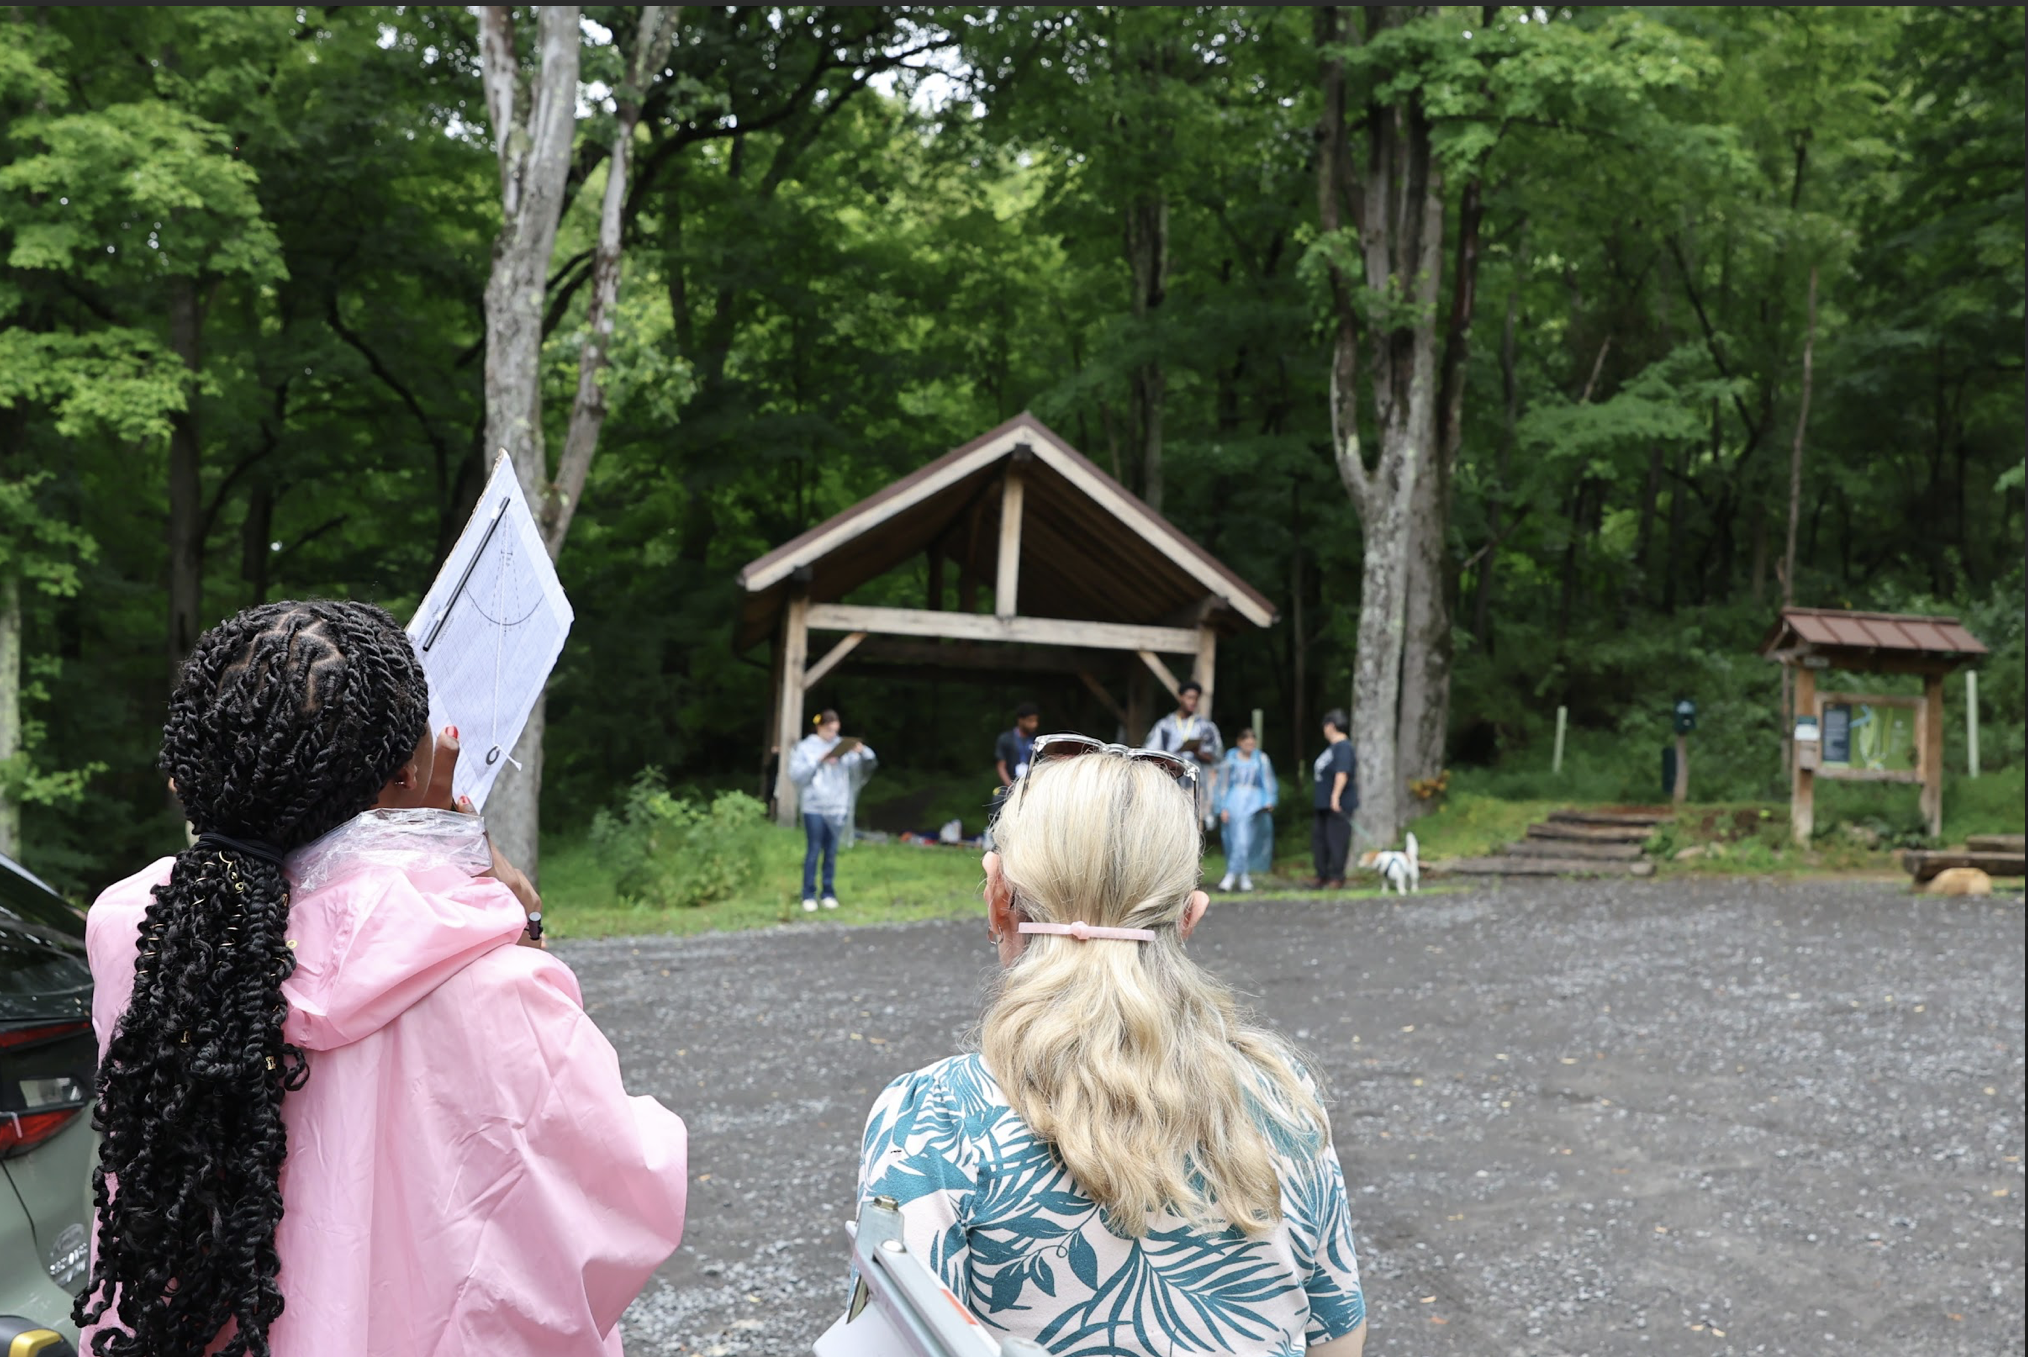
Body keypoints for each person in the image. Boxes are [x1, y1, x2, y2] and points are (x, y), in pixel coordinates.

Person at [79, 600, 687, 1357]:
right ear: (411, 775)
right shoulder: (489, 977)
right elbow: (625, 1200)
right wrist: (504, 904)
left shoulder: (137, 930)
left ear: (186, 775)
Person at [855, 741, 1367, 1357]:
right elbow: (1335, 1334)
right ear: (1189, 918)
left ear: (996, 899)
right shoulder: (1283, 1094)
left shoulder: (935, 1118)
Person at [789, 709, 877, 912]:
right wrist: (818, 761)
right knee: (814, 849)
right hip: (814, 806)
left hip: (837, 805)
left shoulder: (841, 747)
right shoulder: (805, 748)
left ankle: (828, 892)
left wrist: (861, 751)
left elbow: (868, 761)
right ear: (819, 727)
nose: (832, 734)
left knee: (831, 851)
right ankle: (808, 894)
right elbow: (796, 775)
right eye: (829, 730)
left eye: (836, 730)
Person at [1143, 680, 1222, 825]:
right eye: (1189, 697)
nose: (1192, 702)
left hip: (1196, 784)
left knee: (1196, 824)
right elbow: (1149, 754)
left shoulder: (1206, 727)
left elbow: (1216, 758)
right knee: (1171, 824)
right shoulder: (1165, 725)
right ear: (1180, 697)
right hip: (1171, 783)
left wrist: (1197, 752)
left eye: (1195, 698)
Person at [1214, 727, 1277, 892]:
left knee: (1247, 841)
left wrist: (1269, 800)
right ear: (1240, 742)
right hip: (1235, 801)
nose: (1250, 745)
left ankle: (1236, 876)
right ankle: (1238, 876)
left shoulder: (1261, 759)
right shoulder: (1231, 759)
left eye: (1252, 742)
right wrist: (1222, 806)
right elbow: (1223, 784)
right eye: (1246, 742)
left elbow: (1268, 780)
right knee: (1236, 840)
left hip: (1254, 802)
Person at [1310, 709, 1357, 889]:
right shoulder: (1331, 748)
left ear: (1331, 726)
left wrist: (1335, 797)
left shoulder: (1344, 747)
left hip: (1337, 804)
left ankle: (1336, 877)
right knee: (1320, 840)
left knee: (1336, 840)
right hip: (1322, 805)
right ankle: (1321, 875)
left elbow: (1342, 772)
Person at [994, 701, 1041, 792]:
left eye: (1036, 720)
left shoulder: (1038, 740)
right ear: (1020, 720)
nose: (1034, 724)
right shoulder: (1005, 739)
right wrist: (1010, 787)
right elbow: (1001, 766)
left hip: (1032, 787)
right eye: (1030, 720)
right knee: (997, 800)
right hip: (1009, 786)